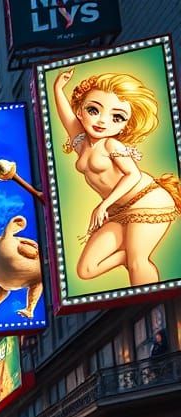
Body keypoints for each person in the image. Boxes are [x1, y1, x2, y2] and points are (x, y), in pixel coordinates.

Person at [52, 67, 181, 286]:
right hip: (120, 209)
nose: (103, 121)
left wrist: (103, 205)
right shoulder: (81, 142)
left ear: (125, 125)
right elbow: (66, 118)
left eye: (117, 117)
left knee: (138, 262)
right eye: (93, 110)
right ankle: (126, 256)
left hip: (148, 200)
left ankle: (151, 301)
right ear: (80, 111)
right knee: (86, 269)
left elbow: (133, 174)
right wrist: (57, 88)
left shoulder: (111, 144)